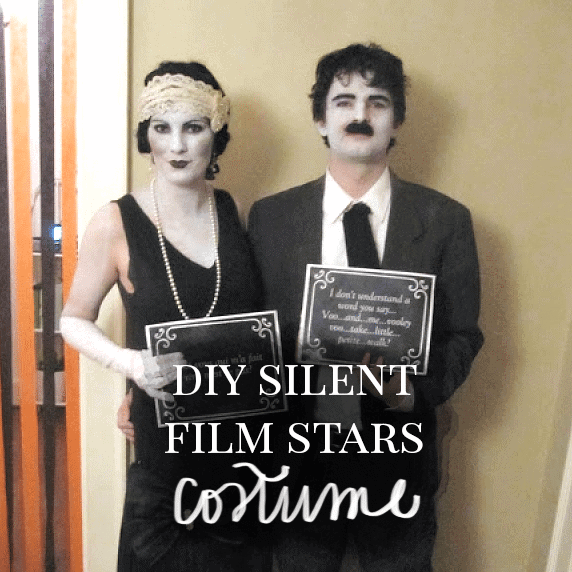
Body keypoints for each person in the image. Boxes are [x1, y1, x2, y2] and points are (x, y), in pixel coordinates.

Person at [247, 43, 484, 571]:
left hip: (399, 454)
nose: (360, 115)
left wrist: (411, 392)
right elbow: (245, 331)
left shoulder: (446, 221)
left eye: (377, 102)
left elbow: (464, 336)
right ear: (320, 119)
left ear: (396, 120)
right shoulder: (269, 218)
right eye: (344, 101)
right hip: (296, 459)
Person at [61, 61, 272, 572]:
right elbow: (73, 319)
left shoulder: (233, 211)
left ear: (215, 135)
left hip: (242, 455)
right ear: (147, 136)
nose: (177, 146)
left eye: (193, 128)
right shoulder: (115, 222)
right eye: (162, 128)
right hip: (165, 459)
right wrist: (131, 365)